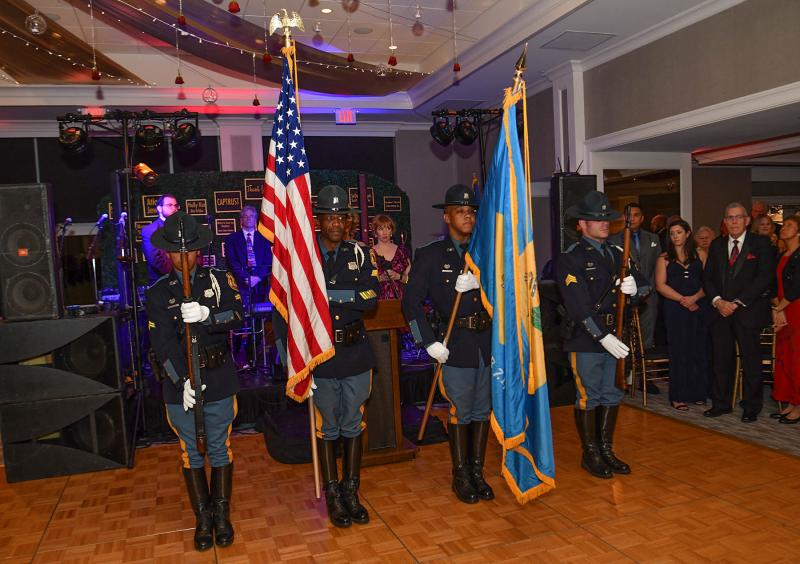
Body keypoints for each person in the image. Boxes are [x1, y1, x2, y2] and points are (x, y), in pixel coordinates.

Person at [144, 211, 244, 551]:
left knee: (219, 447)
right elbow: (161, 345)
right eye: (175, 252)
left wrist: (208, 315)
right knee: (190, 453)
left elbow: (238, 314)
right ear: (166, 253)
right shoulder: (158, 293)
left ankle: (221, 514)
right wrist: (180, 379)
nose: (182, 258)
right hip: (182, 386)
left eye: (188, 251)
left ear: (198, 251)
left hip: (217, 377)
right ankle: (202, 518)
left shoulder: (217, 279)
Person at [402, 184, 494, 504]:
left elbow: (506, 294)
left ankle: (478, 471)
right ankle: (460, 474)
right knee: (461, 411)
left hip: (487, 343)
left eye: (471, 212)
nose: (467, 216)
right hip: (453, 344)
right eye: (460, 211)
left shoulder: (487, 253)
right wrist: (427, 343)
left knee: (482, 411)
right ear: (447, 216)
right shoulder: (429, 256)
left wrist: (483, 284)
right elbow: (410, 305)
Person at [556, 191, 649, 479]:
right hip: (587, 338)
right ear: (582, 224)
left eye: (607, 219)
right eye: (598, 220)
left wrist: (635, 292)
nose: (605, 224)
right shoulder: (570, 258)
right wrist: (602, 337)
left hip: (618, 334)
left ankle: (607, 449)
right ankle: (591, 453)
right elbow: (578, 306)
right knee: (589, 396)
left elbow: (645, 286)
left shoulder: (618, 253)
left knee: (612, 393)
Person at [310, 185, 378, 529]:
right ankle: (334, 495)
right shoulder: (304, 258)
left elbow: (370, 298)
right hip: (320, 356)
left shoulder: (361, 253)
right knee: (328, 427)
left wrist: (326, 295)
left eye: (341, 216)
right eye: (329, 216)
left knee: (352, 424)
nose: (335, 222)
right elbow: (288, 309)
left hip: (354, 353)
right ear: (319, 219)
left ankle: (352, 492)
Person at [703, 202, 775, 423]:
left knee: (751, 361)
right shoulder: (716, 245)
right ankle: (721, 403)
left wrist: (736, 302)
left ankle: (751, 406)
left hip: (748, 312)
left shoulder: (761, 244)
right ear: (724, 222)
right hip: (720, 313)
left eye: (738, 217)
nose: (734, 221)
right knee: (721, 360)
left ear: (747, 220)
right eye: (730, 218)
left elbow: (764, 278)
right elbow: (708, 278)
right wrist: (718, 302)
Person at [655, 219, 710, 410]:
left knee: (698, 350)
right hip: (675, 310)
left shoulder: (701, 254)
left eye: (679, 232)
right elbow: (660, 285)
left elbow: (709, 282)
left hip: (698, 308)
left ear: (687, 234)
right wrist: (682, 300)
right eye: (672, 233)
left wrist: (694, 298)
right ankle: (678, 395)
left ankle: (698, 392)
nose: (675, 236)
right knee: (678, 352)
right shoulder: (664, 258)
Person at [610, 203, 660, 350]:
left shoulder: (654, 239)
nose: (632, 218)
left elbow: (658, 266)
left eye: (636, 215)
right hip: (624, 296)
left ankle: (645, 371)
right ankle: (628, 371)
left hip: (649, 296)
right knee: (624, 337)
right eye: (628, 215)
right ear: (623, 217)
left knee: (647, 339)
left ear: (642, 218)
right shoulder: (613, 240)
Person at [771, 215, 800, 423]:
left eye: (790, 225)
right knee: (785, 357)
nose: (784, 228)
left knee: (797, 358)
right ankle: (791, 401)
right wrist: (776, 307)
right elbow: (773, 284)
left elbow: (797, 286)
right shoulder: (781, 254)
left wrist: (780, 308)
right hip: (782, 309)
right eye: (784, 225)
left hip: (796, 309)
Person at [225, 206, 273, 307]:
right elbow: (232, 262)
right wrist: (246, 277)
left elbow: (268, 261)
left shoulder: (264, 238)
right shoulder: (231, 239)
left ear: (255, 219)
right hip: (240, 283)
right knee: (243, 315)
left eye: (251, 216)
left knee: (259, 315)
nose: (248, 218)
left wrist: (258, 277)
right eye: (245, 216)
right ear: (241, 219)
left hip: (260, 283)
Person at [141, 194, 180, 284]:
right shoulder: (150, 230)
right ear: (159, 208)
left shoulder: (183, 228)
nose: (174, 209)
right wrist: (179, 274)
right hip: (162, 283)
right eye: (170, 205)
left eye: (176, 205)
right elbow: (156, 261)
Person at [371, 214, 411, 300]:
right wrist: (379, 278)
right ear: (375, 232)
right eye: (381, 229)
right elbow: (364, 281)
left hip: (401, 300)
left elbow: (411, 280)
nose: (385, 232)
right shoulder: (369, 253)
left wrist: (399, 277)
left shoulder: (401, 252)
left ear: (392, 231)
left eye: (388, 228)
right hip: (377, 302)